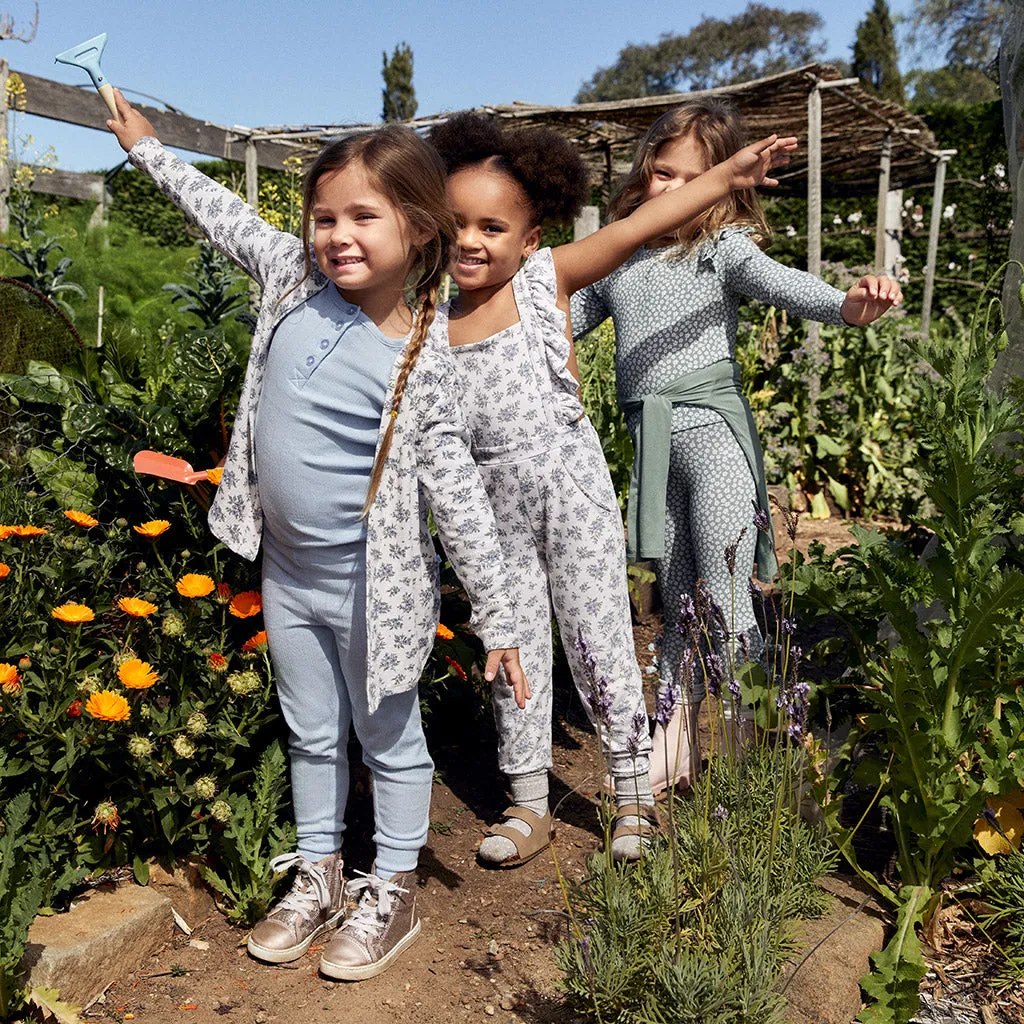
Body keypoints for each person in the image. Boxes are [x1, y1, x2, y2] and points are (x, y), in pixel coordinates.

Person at [107, 91, 529, 981]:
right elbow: (221, 213)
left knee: (387, 734)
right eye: (324, 215)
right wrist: (149, 150)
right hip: (290, 570)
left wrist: (499, 615)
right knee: (310, 731)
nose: (338, 234)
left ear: (419, 229)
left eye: (363, 216)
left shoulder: (422, 353)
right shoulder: (292, 282)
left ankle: (394, 885)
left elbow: (458, 499)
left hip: (377, 585)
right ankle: (319, 872)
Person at [426, 112, 797, 866]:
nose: (471, 239)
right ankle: (528, 801)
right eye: (456, 224)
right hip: (496, 520)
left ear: (529, 239)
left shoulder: (544, 282)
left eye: (492, 226)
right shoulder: (429, 327)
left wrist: (723, 178)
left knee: (600, 641)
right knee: (516, 652)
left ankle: (632, 794)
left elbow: (636, 228)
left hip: (572, 498)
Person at [570, 99, 902, 792]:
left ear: (725, 184)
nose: (671, 192)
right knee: (674, 602)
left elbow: (788, 287)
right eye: (662, 174)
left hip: (714, 441)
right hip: (654, 452)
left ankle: (760, 745)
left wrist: (849, 303)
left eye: (692, 179)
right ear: (644, 172)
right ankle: (676, 739)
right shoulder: (619, 256)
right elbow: (555, 318)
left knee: (725, 599)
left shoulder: (721, 250)